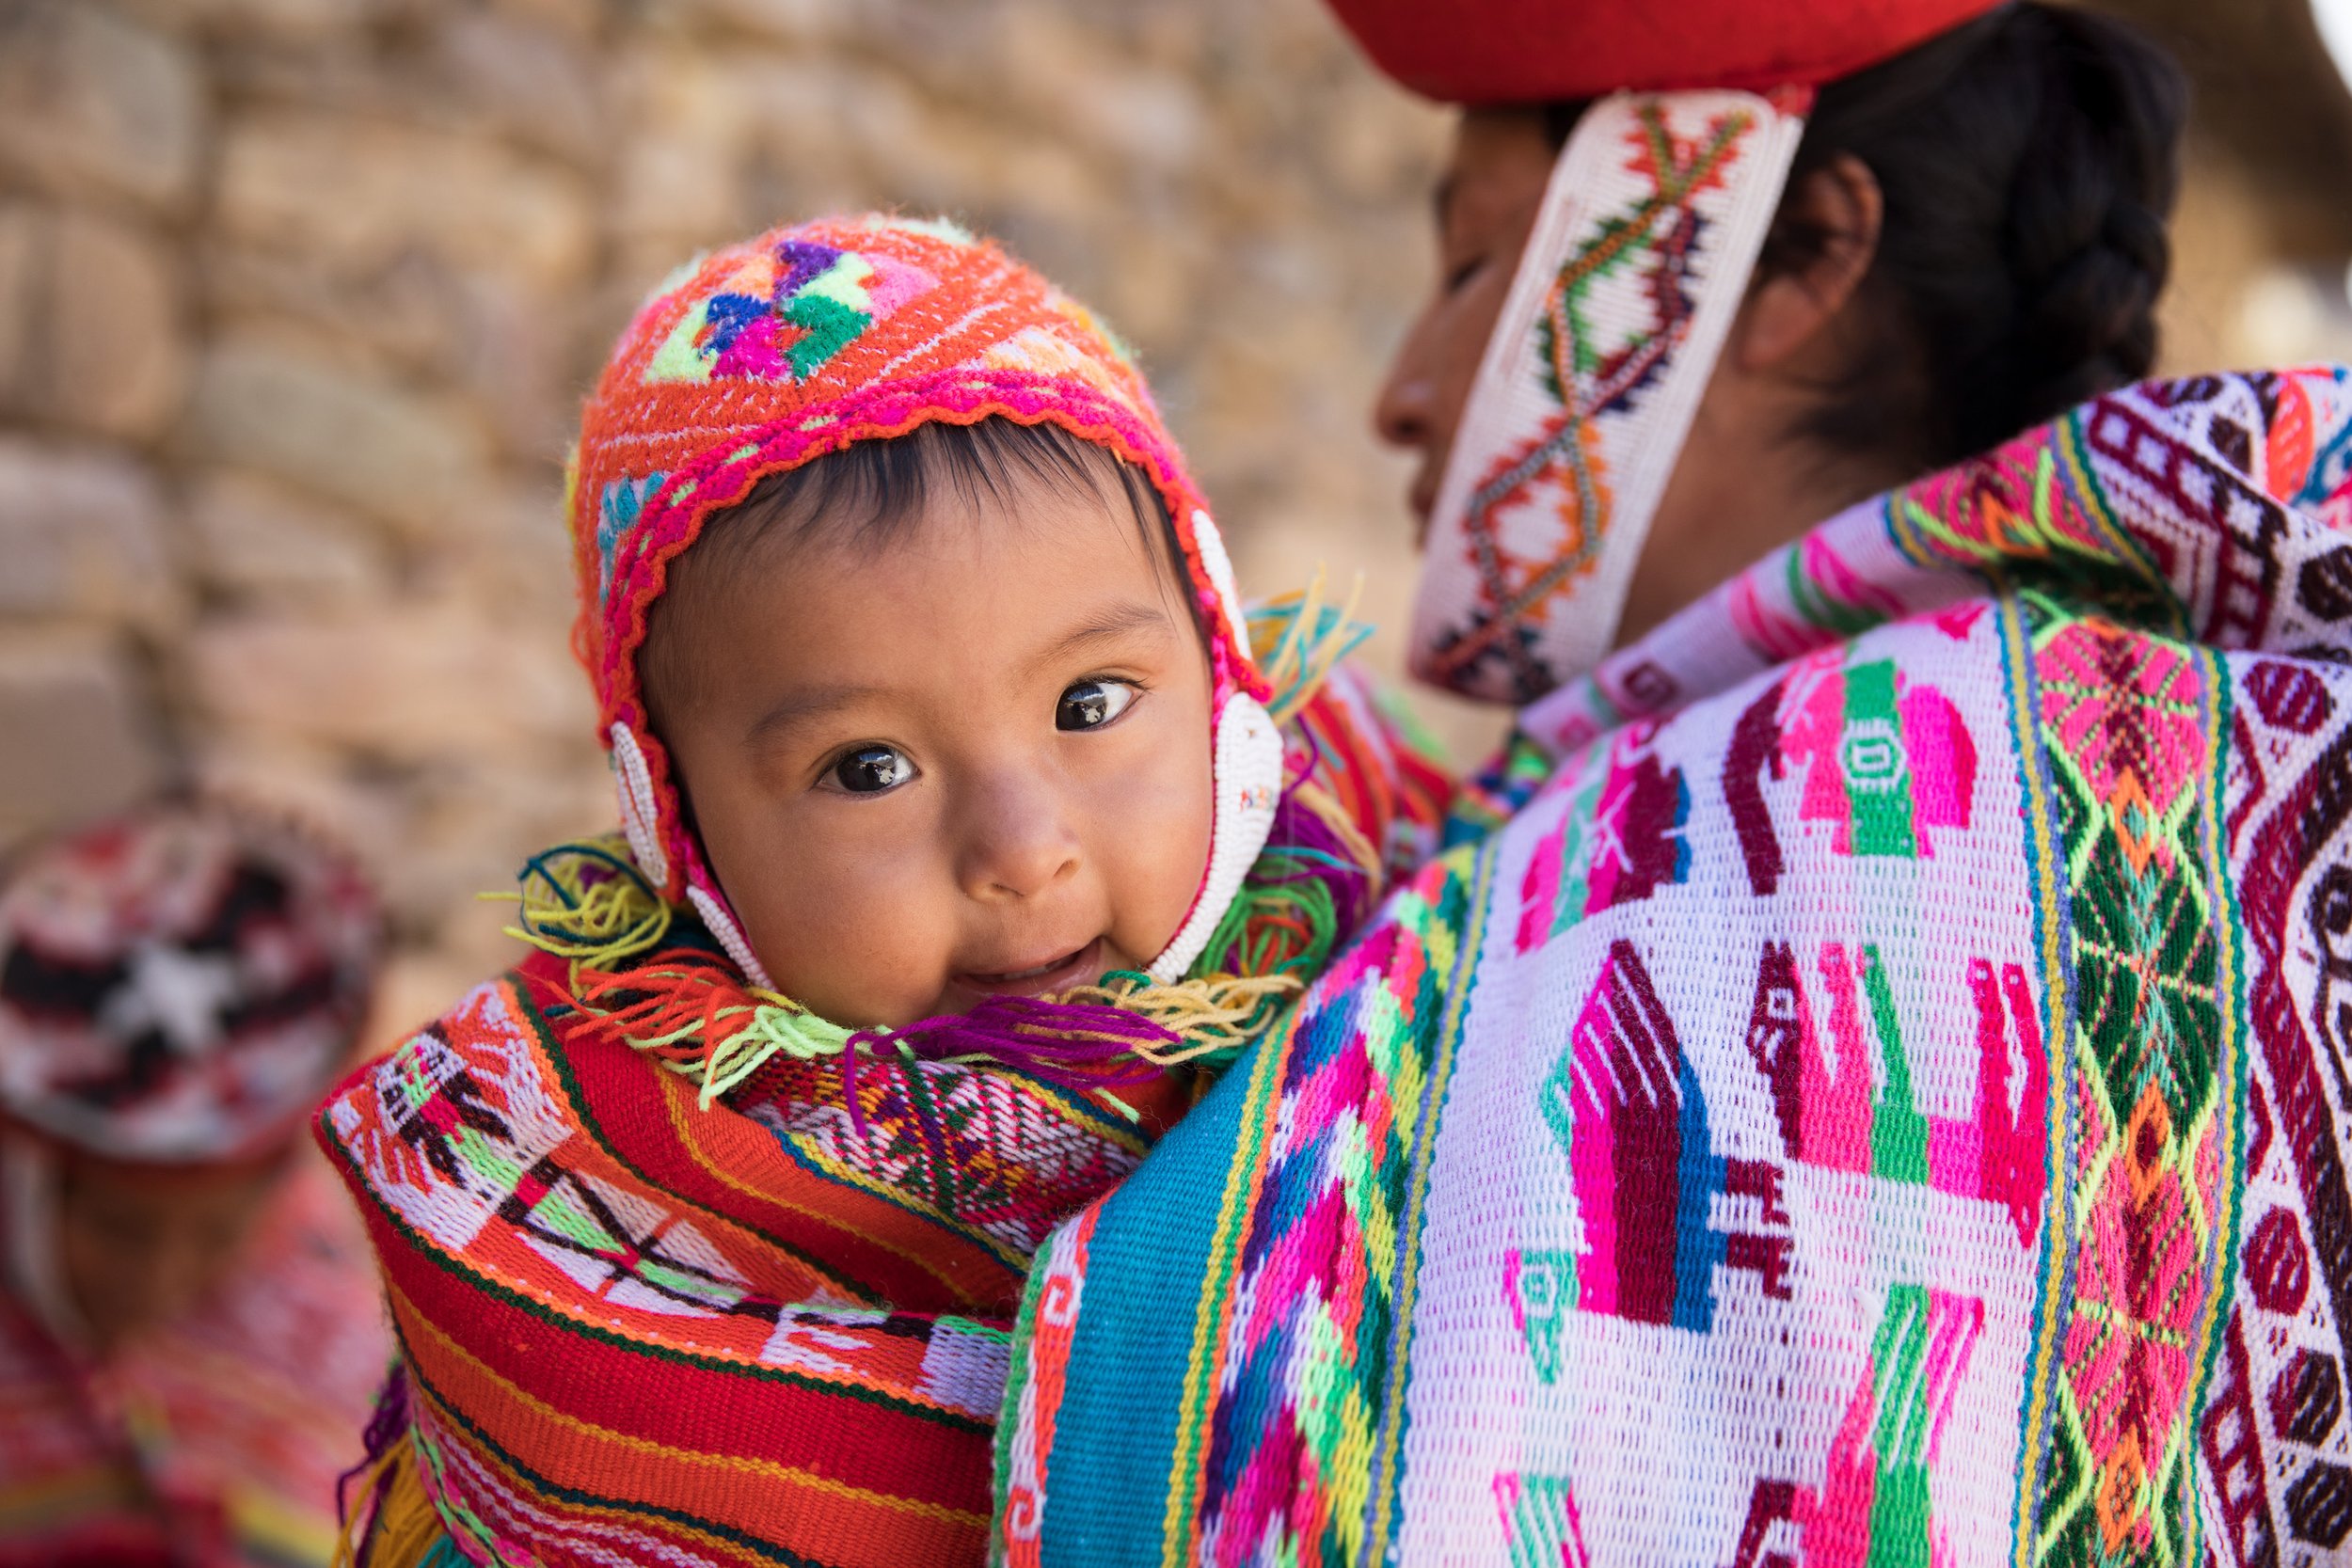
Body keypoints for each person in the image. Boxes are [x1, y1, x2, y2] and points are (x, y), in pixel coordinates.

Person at [994, 3, 2352, 1562]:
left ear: (1791, 263)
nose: (1399, 393)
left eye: (1471, 268)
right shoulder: (2219, 746)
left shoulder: (1778, 836)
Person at [318, 214, 1450, 1568]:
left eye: (1092, 701)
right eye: (868, 767)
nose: (1021, 847)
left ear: (1218, 671)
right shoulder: (565, 1234)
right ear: (677, 825)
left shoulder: (1401, 936)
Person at [0, 797, 390, 1568]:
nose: (162, 1276)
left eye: (216, 1232)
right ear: (29, 1186)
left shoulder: (327, 1355)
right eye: (120, 1229)